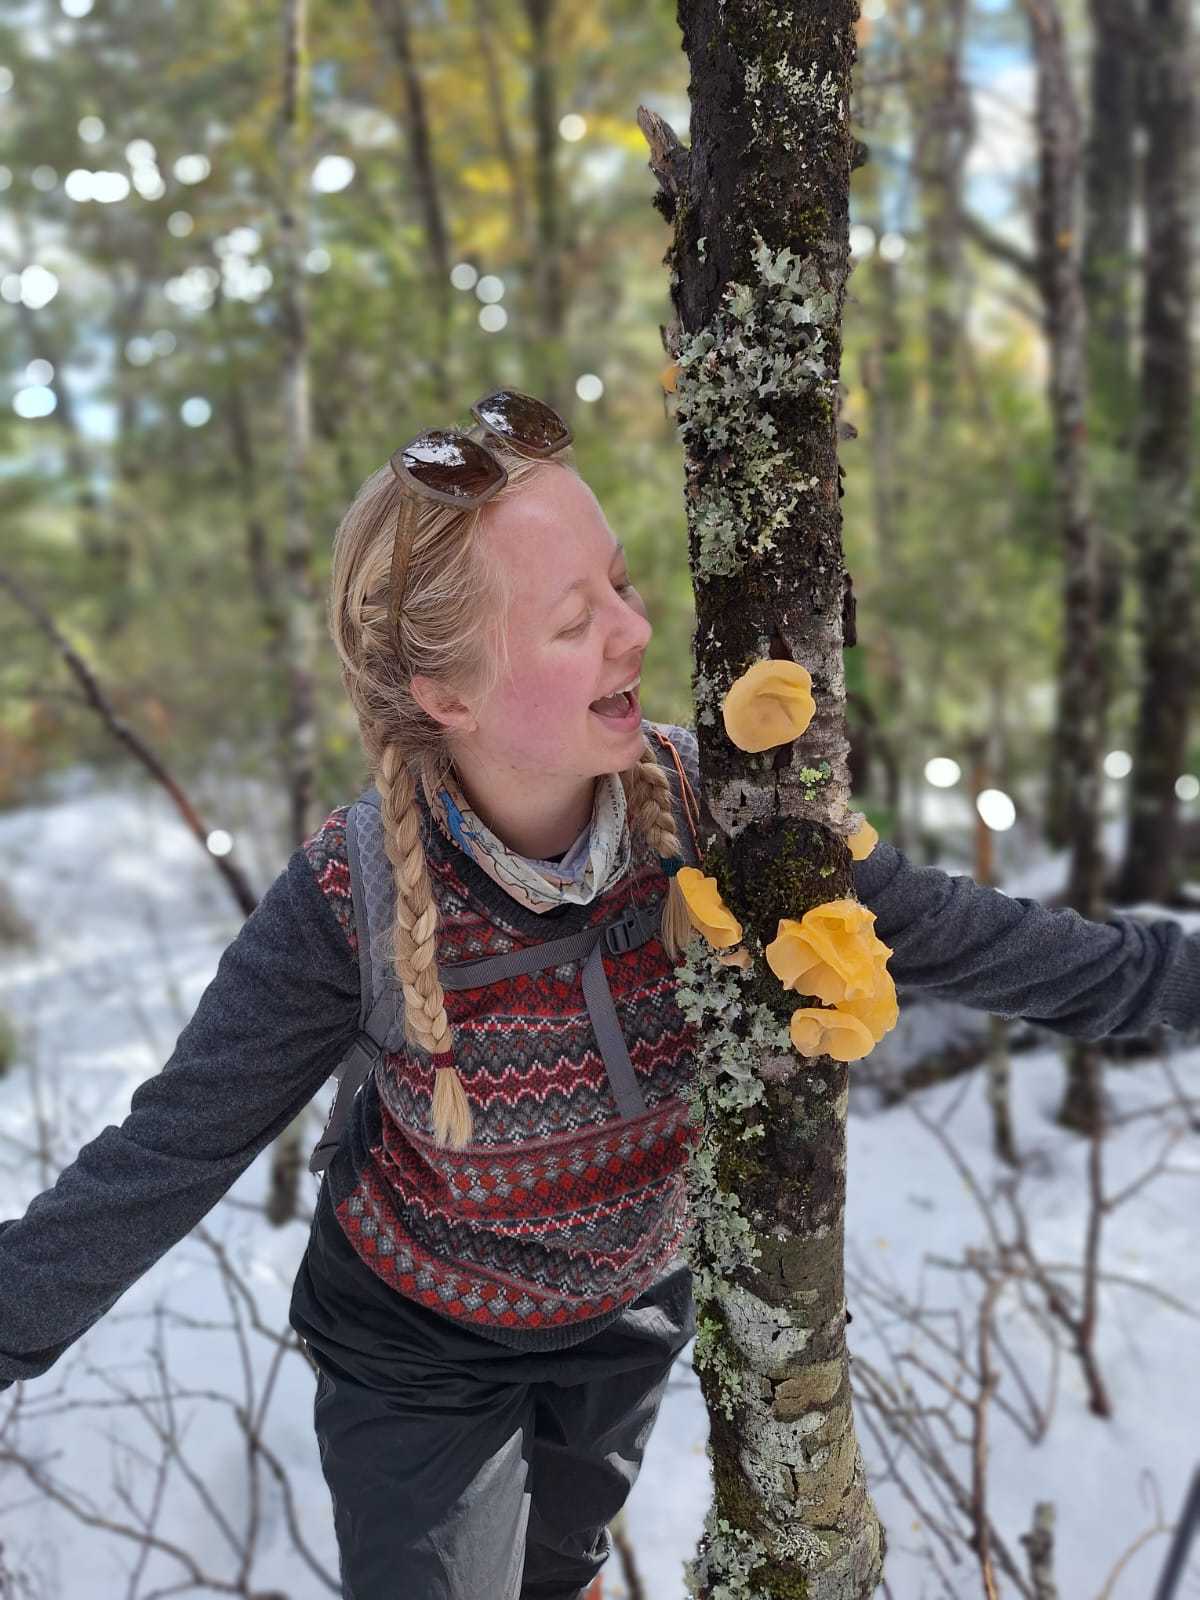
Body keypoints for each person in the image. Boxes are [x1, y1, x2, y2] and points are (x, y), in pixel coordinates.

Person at [1, 389, 1197, 1600]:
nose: (635, 632)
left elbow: (979, 938)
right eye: (576, 621)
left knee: (558, 1574)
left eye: (621, 585)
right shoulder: (344, 896)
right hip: (417, 1340)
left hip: (622, 1319)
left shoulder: (718, 807)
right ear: (446, 696)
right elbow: (166, 1152)